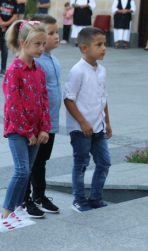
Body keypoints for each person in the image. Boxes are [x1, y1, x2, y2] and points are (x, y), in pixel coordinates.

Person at [0, 20, 51, 232]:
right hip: (18, 132)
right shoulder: (14, 71)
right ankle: (5, 216)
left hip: (36, 132)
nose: (41, 48)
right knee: (21, 170)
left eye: (43, 44)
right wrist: (27, 132)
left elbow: (45, 99)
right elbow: (13, 106)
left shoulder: (38, 70)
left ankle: (17, 212)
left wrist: (44, 128)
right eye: (37, 44)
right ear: (23, 43)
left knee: (26, 172)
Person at [64, 27, 112, 213]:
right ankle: (78, 199)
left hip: (98, 127)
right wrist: (82, 122)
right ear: (85, 47)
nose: (103, 48)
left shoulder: (102, 71)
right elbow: (69, 99)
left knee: (104, 163)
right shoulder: (78, 71)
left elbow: (103, 97)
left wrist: (106, 121)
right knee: (82, 163)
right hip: (81, 129)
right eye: (98, 45)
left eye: (104, 44)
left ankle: (95, 197)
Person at [22, 14, 62, 217]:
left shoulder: (53, 60)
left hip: (50, 121)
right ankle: (25, 198)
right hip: (36, 125)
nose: (55, 36)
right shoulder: (36, 62)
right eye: (51, 33)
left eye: (56, 32)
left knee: (42, 160)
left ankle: (39, 195)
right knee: (31, 162)